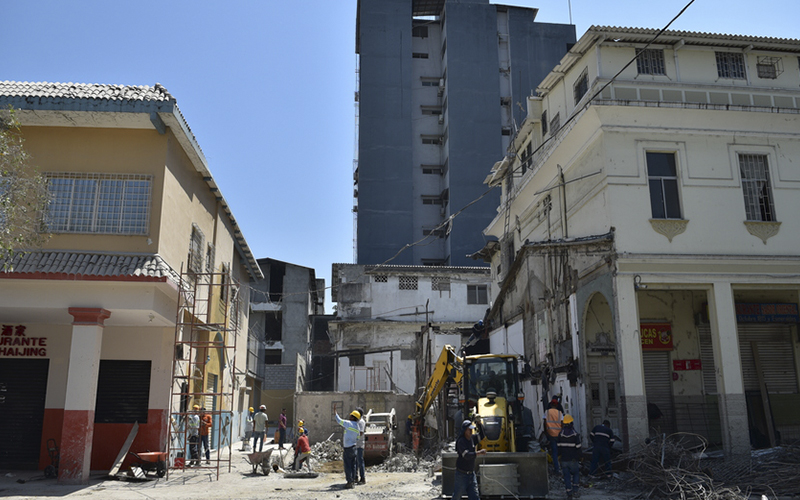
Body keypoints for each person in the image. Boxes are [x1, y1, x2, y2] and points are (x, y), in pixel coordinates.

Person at [452, 420, 487, 500]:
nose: (471, 431)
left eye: (472, 429)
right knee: (457, 496)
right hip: (461, 475)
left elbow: (482, 435)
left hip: (471, 474)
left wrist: (479, 424)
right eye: (469, 429)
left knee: (475, 497)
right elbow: (466, 455)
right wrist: (479, 453)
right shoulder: (461, 441)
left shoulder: (472, 438)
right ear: (464, 430)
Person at [335, 410, 362, 489]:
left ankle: (349, 482)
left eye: (351, 416)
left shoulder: (348, 423)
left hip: (348, 448)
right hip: (354, 448)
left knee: (347, 465)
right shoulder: (357, 426)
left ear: (353, 417)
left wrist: (335, 412)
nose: (349, 417)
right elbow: (357, 438)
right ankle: (353, 481)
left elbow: (339, 420)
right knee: (353, 465)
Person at [557, 414, 582, 500]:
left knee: (566, 476)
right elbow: (578, 448)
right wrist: (580, 457)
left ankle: (569, 493)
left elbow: (558, 448)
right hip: (573, 459)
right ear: (571, 423)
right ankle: (575, 490)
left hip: (564, 459)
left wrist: (559, 457)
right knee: (575, 473)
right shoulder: (575, 435)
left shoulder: (560, 434)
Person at [543, 397, 564, 474]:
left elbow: (545, 423)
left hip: (551, 434)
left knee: (554, 452)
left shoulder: (547, 412)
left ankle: (556, 469)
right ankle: (563, 467)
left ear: (551, 404)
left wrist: (546, 432)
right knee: (560, 451)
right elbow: (562, 424)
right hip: (559, 434)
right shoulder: (559, 413)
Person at [354, 406, 366, 484]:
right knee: (355, 462)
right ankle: (356, 477)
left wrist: (354, 437)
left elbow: (361, 433)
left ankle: (362, 478)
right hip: (355, 444)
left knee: (360, 461)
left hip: (359, 444)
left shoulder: (361, 422)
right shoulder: (357, 421)